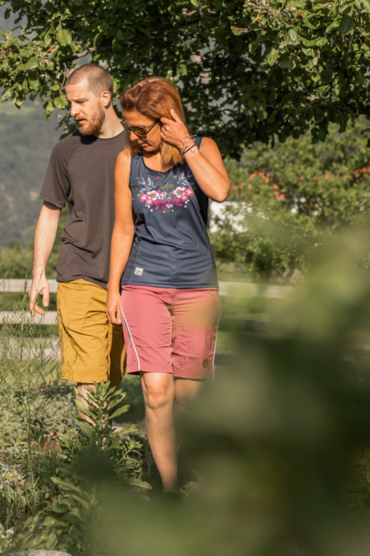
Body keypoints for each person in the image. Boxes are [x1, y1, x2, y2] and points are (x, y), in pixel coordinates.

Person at [105, 77, 230, 492]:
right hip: (144, 284)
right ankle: (169, 489)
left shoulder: (203, 147)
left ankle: (171, 460)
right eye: (129, 128)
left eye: (142, 128)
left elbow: (220, 191)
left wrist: (186, 144)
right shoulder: (127, 161)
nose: (134, 137)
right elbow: (123, 229)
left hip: (197, 286)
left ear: (167, 120)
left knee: (189, 398)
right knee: (157, 390)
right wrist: (113, 288)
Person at [30, 64, 127, 412]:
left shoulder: (140, 145)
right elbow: (50, 211)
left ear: (105, 97)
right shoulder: (66, 151)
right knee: (90, 380)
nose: (73, 111)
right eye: (70, 103)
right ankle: (91, 446)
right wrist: (38, 271)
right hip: (80, 275)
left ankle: (101, 445)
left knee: (113, 380)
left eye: (81, 102)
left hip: (130, 280)